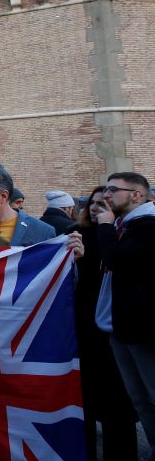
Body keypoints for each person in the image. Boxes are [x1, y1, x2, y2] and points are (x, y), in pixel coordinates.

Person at [70, 186, 138, 461]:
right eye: (93, 204)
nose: (98, 208)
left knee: (117, 405)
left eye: (104, 203)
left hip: (113, 328)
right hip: (83, 328)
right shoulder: (76, 234)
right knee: (83, 398)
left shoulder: (121, 237)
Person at [94, 171, 155, 454]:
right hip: (119, 327)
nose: (106, 195)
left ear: (136, 194)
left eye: (112, 190)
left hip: (142, 330)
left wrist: (105, 227)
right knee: (139, 397)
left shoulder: (148, 226)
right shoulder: (124, 225)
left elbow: (120, 259)